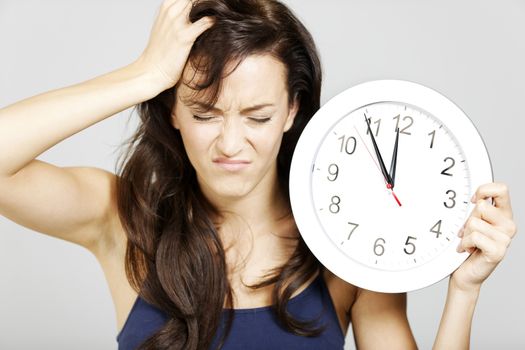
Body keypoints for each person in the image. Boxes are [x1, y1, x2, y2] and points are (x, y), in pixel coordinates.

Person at [0, 0, 517, 349]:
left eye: (258, 116)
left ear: (293, 111)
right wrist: (144, 75)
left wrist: (464, 292)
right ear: (172, 112)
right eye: (205, 114)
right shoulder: (120, 216)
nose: (229, 144)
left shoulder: (350, 248)